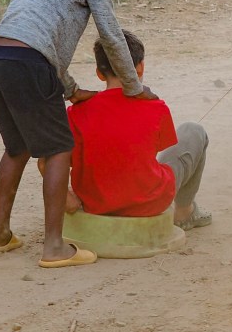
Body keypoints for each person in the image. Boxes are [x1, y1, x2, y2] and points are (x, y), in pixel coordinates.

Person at [0, 0, 156, 268]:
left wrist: (72, 90)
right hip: (29, 62)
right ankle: (54, 246)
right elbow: (110, 35)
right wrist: (133, 87)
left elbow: (42, 41)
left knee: (17, 148)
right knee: (59, 149)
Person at [65, 32, 212, 230]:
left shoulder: (76, 111)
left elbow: (55, 162)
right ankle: (185, 211)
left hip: (95, 204)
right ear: (140, 67)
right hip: (149, 203)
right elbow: (154, 149)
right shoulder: (156, 107)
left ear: (99, 73)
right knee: (194, 131)